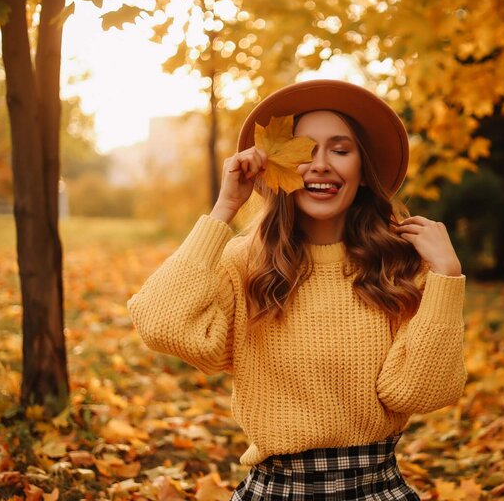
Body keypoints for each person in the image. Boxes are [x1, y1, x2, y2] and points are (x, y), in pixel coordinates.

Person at [127, 79, 467, 500]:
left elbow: (419, 391)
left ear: (362, 173)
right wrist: (224, 209)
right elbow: (162, 324)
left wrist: (447, 277)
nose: (320, 164)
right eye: (303, 151)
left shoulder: (398, 267)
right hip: (276, 492)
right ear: (278, 168)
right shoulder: (245, 263)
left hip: (376, 491)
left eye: (340, 150)